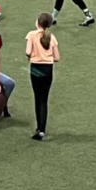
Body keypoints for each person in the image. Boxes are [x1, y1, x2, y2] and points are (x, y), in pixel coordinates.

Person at [25, 12, 60, 140]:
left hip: (35, 68)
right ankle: (42, 130)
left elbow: (28, 51)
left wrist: (31, 56)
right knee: (44, 100)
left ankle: (39, 127)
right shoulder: (52, 37)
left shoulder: (31, 35)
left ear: (37, 22)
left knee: (37, 97)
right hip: (48, 69)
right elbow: (57, 57)